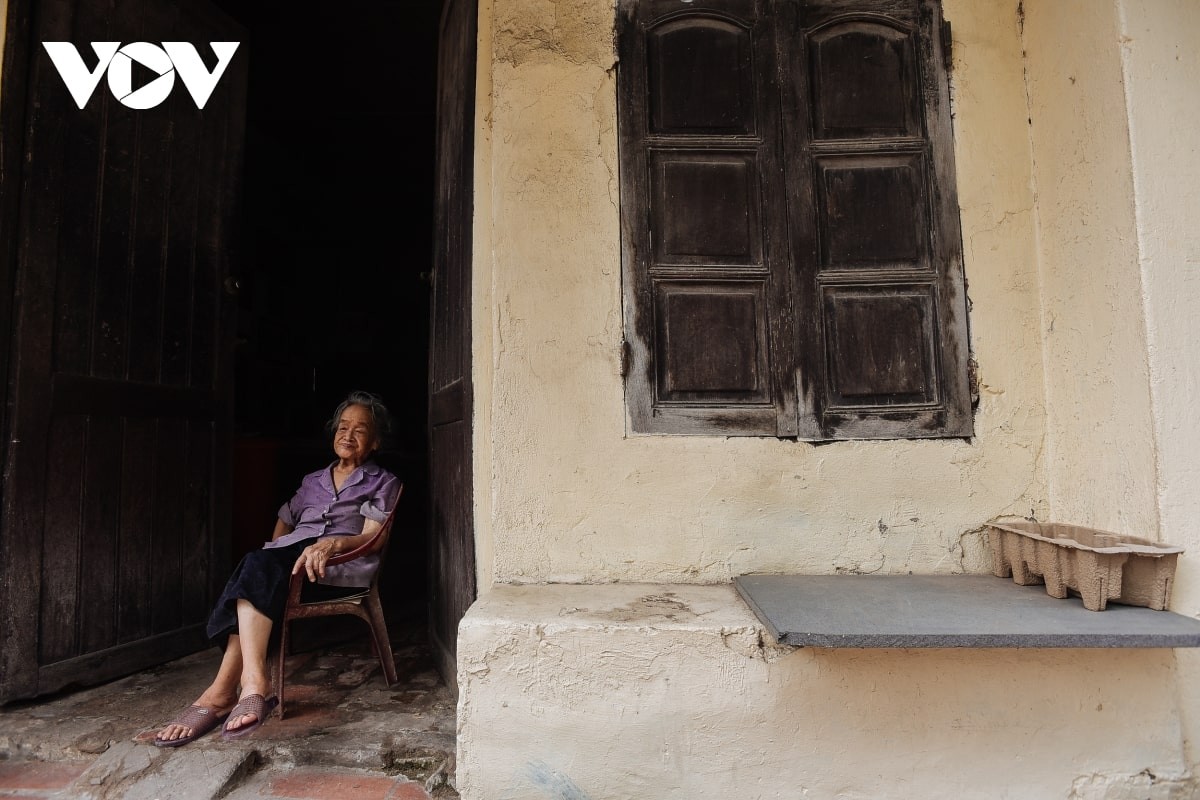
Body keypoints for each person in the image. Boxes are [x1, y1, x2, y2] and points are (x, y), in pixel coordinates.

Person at [153, 390, 401, 746]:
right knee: (260, 565)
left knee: (256, 569)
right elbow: (285, 520)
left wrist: (331, 544)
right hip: (289, 564)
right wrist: (276, 550)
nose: (348, 435)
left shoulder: (383, 481)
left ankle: (226, 691)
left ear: (375, 441)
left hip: (333, 570)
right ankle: (247, 686)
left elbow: (372, 539)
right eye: (342, 427)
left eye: (360, 430)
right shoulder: (312, 481)